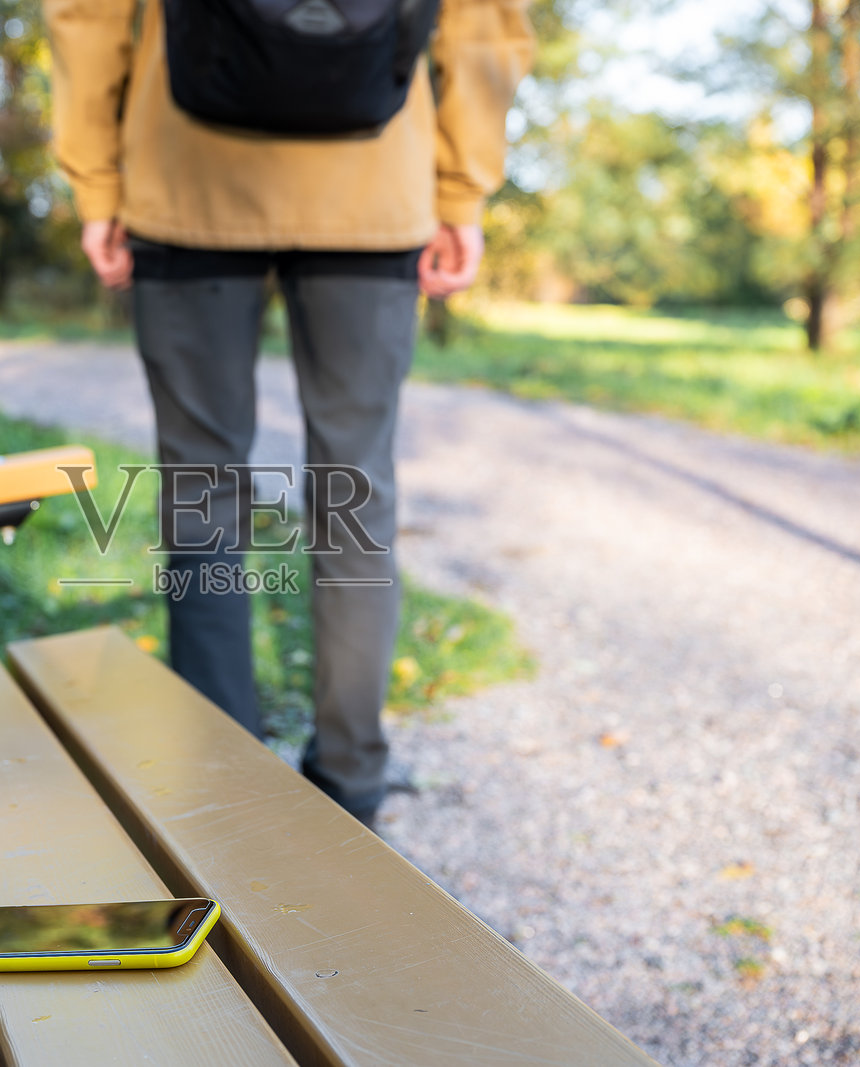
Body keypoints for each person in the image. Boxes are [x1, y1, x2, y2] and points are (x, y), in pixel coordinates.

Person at [43, 0, 535, 826]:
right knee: (356, 483)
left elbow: (83, 11)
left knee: (201, 483)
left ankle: (225, 788)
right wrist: (462, 189)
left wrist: (97, 178)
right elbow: (485, 21)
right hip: (377, 183)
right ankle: (351, 776)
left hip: (186, 175)